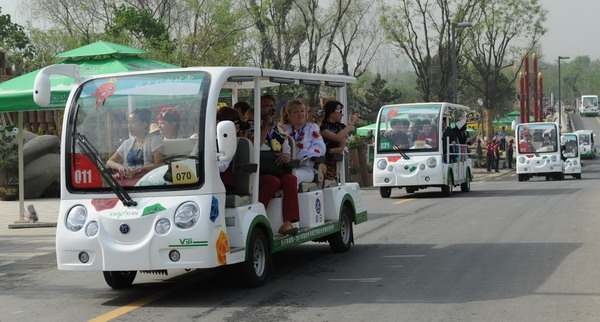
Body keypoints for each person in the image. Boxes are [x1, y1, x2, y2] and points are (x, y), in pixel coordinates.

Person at [258, 95, 300, 236]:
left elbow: (287, 150)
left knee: (291, 180)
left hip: (276, 167)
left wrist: (286, 156)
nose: (269, 109)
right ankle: (259, 215)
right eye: (265, 106)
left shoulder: (280, 129)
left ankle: (288, 222)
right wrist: (265, 126)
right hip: (259, 170)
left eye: (271, 106)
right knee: (272, 181)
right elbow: (255, 145)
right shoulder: (252, 126)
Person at [107, 109, 164, 184]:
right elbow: (109, 162)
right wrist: (120, 167)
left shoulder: (154, 140)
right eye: (129, 122)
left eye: (133, 122)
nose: (129, 126)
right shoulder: (127, 143)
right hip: (126, 183)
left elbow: (159, 165)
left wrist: (137, 170)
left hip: (146, 182)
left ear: (143, 124)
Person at [281, 99, 326, 185]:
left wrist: (303, 157)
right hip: (285, 166)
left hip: (306, 168)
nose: (300, 114)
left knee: (292, 177)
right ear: (288, 115)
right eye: (296, 112)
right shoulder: (283, 129)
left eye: (302, 111)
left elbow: (320, 147)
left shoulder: (313, 128)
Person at [320, 100, 360, 180]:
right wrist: (351, 123)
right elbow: (338, 137)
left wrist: (326, 151)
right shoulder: (322, 125)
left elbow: (340, 148)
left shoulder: (341, 127)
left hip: (333, 160)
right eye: (340, 111)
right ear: (331, 113)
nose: (342, 114)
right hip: (320, 160)